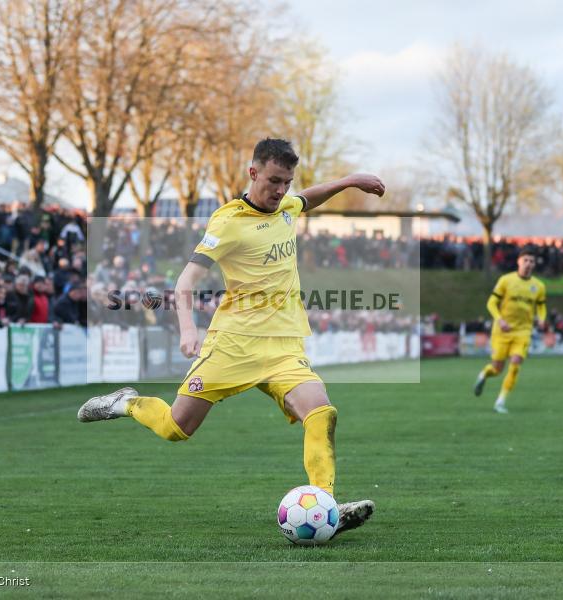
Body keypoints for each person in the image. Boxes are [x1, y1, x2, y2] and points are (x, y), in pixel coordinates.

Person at [77, 138, 386, 537]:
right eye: (274, 180)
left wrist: (349, 181)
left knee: (322, 412)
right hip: (232, 345)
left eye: (287, 182)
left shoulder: (287, 206)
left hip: (282, 348)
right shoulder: (227, 223)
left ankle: (325, 505)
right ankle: (126, 403)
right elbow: (185, 281)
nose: (280, 190)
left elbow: (306, 199)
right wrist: (188, 329)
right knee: (177, 427)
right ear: (253, 172)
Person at [473, 247, 547, 413]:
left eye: (532, 261)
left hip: (523, 331)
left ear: (534, 265)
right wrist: (500, 320)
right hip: (502, 331)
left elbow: (541, 307)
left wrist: (542, 319)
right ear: (518, 261)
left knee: (515, 364)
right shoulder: (506, 280)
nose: (528, 264)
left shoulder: (539, 286)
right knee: (497, 369)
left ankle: (500, 401)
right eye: (525, 260)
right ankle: (484, 374)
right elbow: (491, 303)